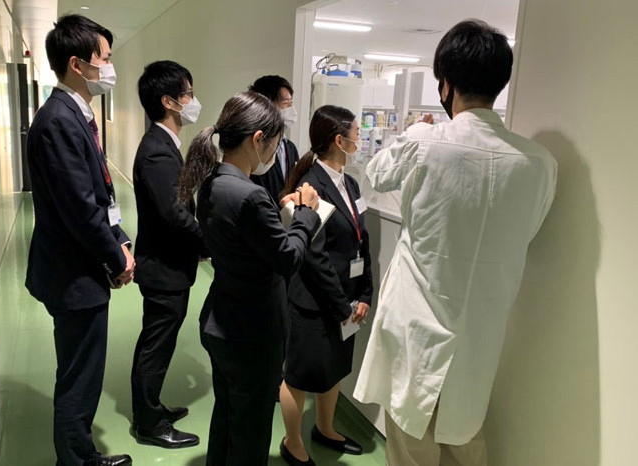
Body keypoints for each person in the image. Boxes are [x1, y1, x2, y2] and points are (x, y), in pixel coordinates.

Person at [353, 19, 557, 466]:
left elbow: (375, 174)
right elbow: (531, 228)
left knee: (411, 445)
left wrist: (413, 132)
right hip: (481, 334)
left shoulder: (425, 143)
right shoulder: (539, 163)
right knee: (467, 442)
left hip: (417, 329)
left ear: (445, 84)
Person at [177, 91, 322, 466]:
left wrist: (280, 215)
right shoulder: (250, 195)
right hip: (253, 333)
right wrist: (307, 215)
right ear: (258, 139)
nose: (275, 151)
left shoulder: (213, 182)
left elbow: (249, 240)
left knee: (228, 416)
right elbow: (287, 258)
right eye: (275, 143)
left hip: (222, 320)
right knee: (252, 433)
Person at [25, 14, 133, 466]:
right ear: (77, 64)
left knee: (83, 370)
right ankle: (75, 459)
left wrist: (120, 240)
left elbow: (99, 194)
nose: (109, 67)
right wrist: (117, 260)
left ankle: (79, 452)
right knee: (80, 375)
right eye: (104, 58)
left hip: (80, 267)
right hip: (72, 275)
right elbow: (81, 210)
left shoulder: (75, 115)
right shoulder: (58, 121)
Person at [278, 105, 373, 466]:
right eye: (356, 134)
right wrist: (341, 306)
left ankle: (325, 428)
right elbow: (314, 257)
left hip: (345, 298)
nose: (360, 140)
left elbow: (361, 241)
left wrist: (364, 293)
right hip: (315, 301)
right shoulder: (311, 187)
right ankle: (292, 442)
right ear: (339, 140)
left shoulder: (350, 183)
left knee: (334, 368)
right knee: (299, 376)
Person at [129, 60, 205, 449]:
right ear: (168, 102)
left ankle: (152, 406)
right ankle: (148, 423)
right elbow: (174, 214)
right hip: (163, 268)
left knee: (159, 342)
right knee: (155, 346)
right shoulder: (157, 152)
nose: (194, 100)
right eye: (189, 93)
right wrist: (208, 243)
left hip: (169, 266)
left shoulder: (165, 146)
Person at [249, 75, 300, 202]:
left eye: (291, 102)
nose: (291, 108)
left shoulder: (290, 148)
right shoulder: (255, 145)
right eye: (285, 103)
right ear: (266, 105)